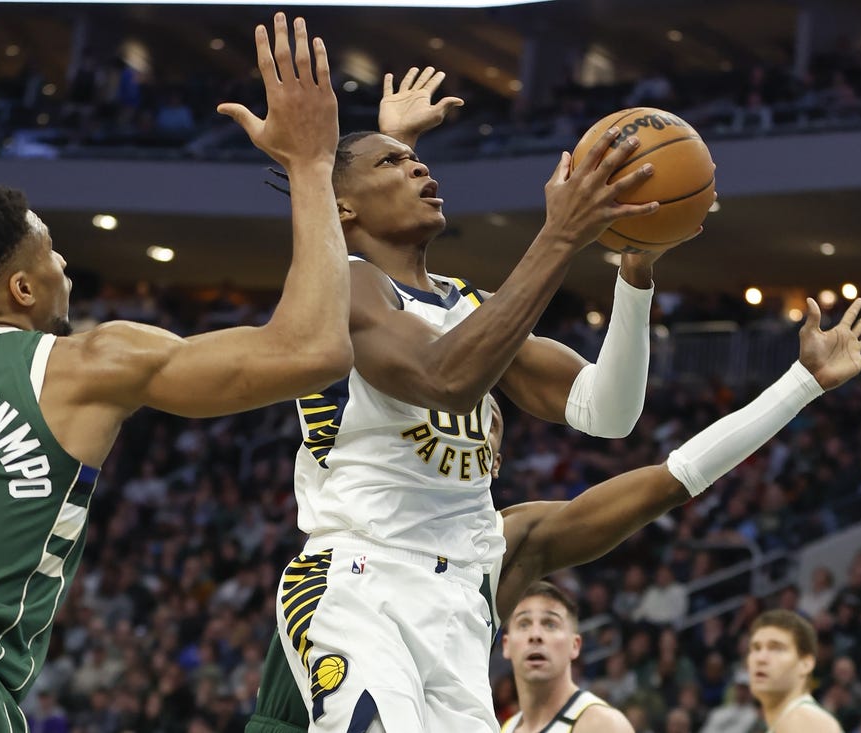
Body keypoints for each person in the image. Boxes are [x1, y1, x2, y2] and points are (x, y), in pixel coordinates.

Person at [0, 14, 351, 732]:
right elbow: (311, 350)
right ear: (22, 290)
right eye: (52, 251)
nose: (66, 266)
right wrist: (310, 164)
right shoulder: (90, 360)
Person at [249, 294, 861, 732]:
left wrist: (799, 384)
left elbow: (672, 479)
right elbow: (380, 286)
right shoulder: (370, 442)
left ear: (492, 457)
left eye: (483, 417)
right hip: (327, 633)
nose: (462, 417)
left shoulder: (500, 545)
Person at [274, 64, 670, 733]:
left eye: (418, 160)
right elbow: (443, 378)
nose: (422, 171)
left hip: (456, 597)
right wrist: (560, 235)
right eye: (396, 165)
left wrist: (635, 280)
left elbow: (608, 411)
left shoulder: (469, 307)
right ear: (342, 207)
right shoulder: (343, 285)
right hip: (359, 577)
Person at [500, 581, 634, 732]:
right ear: (506, 645)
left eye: (550, 624)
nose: (535, 635)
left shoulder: (603, 725)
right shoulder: (505, 728)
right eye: (523, 624)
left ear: (575, 645)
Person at [748, 610, 844, 732]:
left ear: (805, 664)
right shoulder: (786, 720)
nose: (760, 658)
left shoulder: (808, 722)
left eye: (776, 648)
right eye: (756, 648)